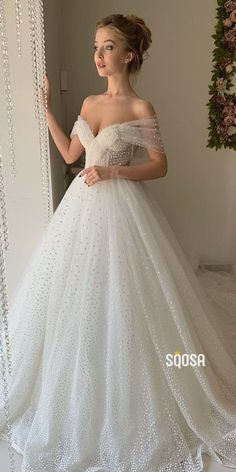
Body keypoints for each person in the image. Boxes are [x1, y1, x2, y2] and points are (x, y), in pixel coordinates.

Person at [0, 12, 236, 472]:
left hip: (123, 208)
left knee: (135, 302)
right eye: (95, 46)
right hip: (81, 213)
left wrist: (112, 171)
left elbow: (159, 166)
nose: (98, 55)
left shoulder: (141, 109)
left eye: (108, 47)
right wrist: (47, 110)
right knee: (78, 301)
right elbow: (71, 154)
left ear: (129, 54)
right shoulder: (88, 103)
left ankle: (160, 378)